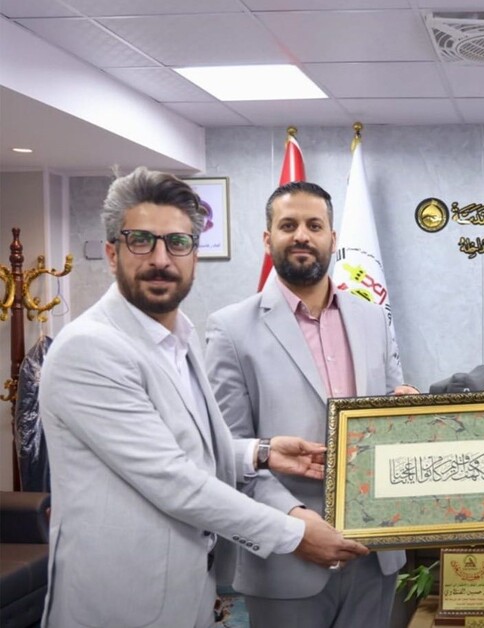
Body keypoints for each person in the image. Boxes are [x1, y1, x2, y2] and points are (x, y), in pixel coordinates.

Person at [39, 167, 369, 628]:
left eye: (177, 242)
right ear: (112, 254)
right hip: (119, 601)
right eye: (141, 241)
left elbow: (189, 449)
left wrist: (262, 453)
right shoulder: (89, 349)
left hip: (190, 590)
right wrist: (294, 534)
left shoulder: (182, 337)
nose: (161, 259)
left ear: (194, 254)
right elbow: (173, 480)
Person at [205, 181, 412, 628]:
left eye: (314, 225)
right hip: (286, 558)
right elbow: (227, 452)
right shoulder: (230, 330)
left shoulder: (374, 319)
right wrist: (296, 525)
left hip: (374, 552)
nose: (302, 235)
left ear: (333, 239)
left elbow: (393, 421)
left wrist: (413, 418)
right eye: (288, 225)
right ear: (268, 239)